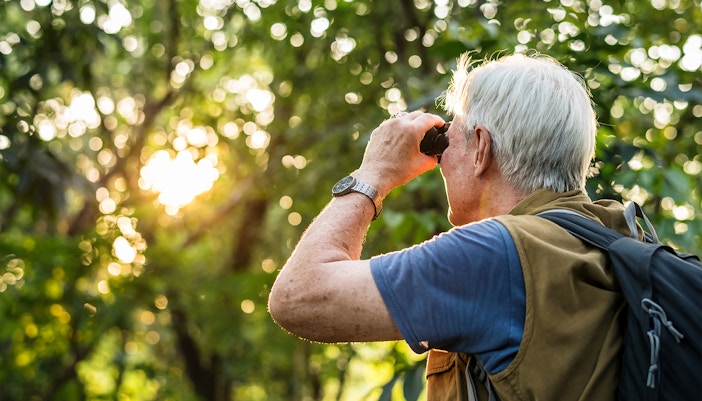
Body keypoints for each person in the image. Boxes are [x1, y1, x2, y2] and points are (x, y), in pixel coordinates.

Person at [268, 52, 631, 401]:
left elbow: (298, 298)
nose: (440, 161)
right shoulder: (618, 234)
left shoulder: (495, 255)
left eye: (447, 140)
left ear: (481, 150)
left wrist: (373, 174)